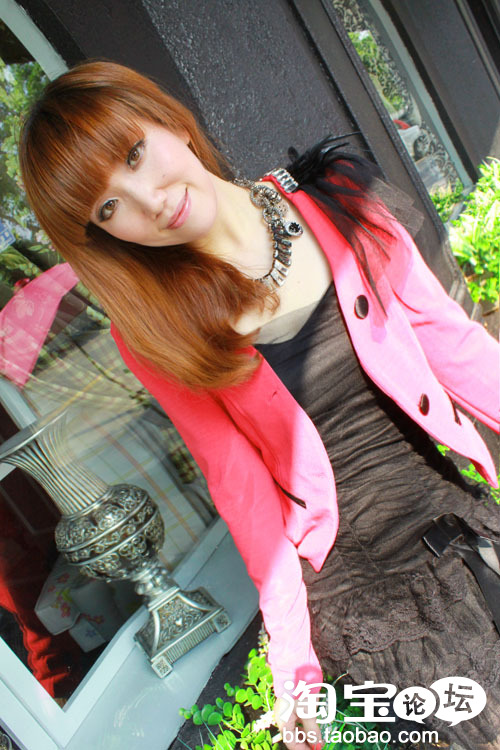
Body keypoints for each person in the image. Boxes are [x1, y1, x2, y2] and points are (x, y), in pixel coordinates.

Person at [19, 61, 500, 749]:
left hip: (449, 510)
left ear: (169, 122)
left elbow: (450, 342)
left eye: (134, 153)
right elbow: (240, 489)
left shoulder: (337, 193)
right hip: (363, 584)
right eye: (108, 207)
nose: (148, 200)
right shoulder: (157, 332)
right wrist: (294, 666)